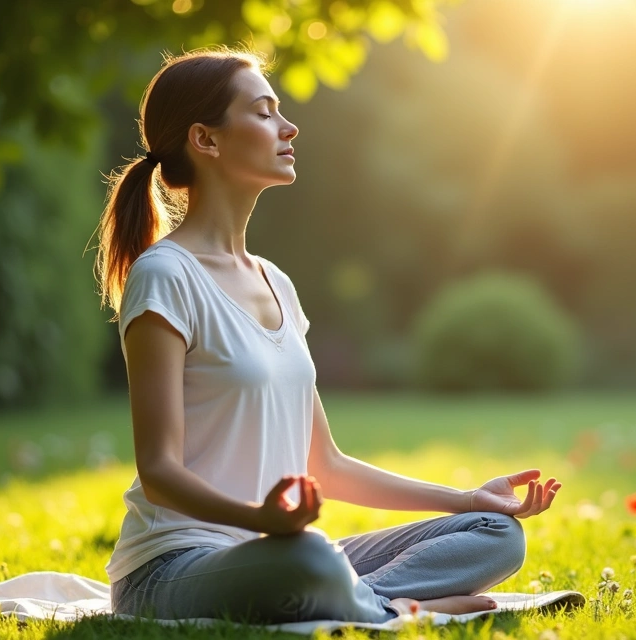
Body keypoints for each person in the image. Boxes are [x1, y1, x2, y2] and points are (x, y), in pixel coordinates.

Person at [92, 46, 563, 624]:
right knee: (310, 559)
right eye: (263, 112)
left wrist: (467, 498)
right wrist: (260, 520)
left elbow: (327, 465)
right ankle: (397, 606)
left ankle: (379, 603)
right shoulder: (165, 275)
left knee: (496, 533)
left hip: (274, 554)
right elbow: (160, 471)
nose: (288, 127)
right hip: (173, 567)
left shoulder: (277, 284)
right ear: (205, 139)